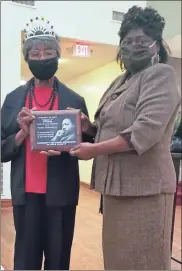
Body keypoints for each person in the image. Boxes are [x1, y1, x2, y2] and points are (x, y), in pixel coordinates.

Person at [70, 6, 181, 270]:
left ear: (156, 45)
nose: (133, 46)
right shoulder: (121, 80)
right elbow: (111, 127)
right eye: (127, 41)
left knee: (143, 260)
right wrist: (89, 127)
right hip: (116, 189)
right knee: (118, 260)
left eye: (142, 41)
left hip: (146, 190)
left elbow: (143, 132)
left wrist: (94, 149)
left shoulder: (161, 75)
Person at [1, 16, 93, 270]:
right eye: (35, 52)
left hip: (61, 194)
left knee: (59, 260)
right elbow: (2, 150)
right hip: (26, 194)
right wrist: (21, 134)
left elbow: (89, 146)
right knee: (25, 261)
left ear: (57, 55)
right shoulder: (13, 100)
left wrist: (85, 129)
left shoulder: (74, 99)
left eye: (48, 51)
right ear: (27, 57)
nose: (42, 58)